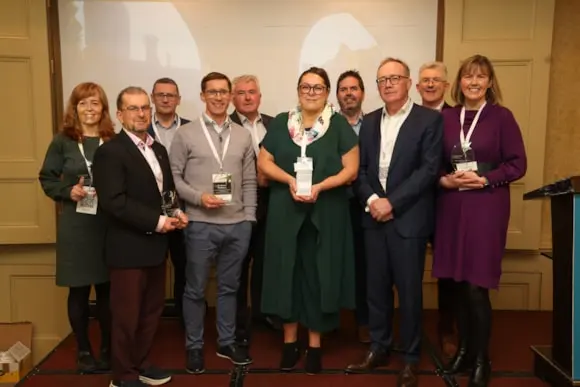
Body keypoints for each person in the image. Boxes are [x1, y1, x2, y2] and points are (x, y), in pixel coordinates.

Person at [346, 58, 443, 387]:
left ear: (408, 82)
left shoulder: (429, 120)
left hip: (408, 220)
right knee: (376, 291)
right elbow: (360, 172)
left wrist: (392, 202)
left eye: (394, 78)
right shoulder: (370, 122)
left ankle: (411, 358)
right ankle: (379, 347)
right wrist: (373, 201)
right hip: (374, 218)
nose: (387, 84)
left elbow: (429, 170)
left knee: (410, 293)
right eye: (382, 80)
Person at [433, 54, 527, 387]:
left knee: (476, 287)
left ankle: (481, 358)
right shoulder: (446, 118)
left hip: (486, 205)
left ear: (489, 82)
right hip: (452, 205)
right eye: (468, 76)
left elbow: (518, 165)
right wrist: (444, 180)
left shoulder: (502, 117)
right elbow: (434, 163)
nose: (473, 82)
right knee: (456, 285)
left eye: (480, 77)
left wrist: (486, 179)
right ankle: (464, 352)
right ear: (458, 83)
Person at [258, 67, 359, 374]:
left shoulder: (339, 125)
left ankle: (315, 344)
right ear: (298, 90)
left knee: (318, 275)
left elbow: (351, 169)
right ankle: (290, 343)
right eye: (306, 86)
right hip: (285, 211)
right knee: (285, 273)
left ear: (327, 92)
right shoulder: (281, 122)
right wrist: (290, 180)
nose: (311, 92)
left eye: (318, 87)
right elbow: (264, 161)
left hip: (327, 211)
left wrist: (320, 186)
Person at [93, 86, 188, 387]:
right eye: (133, 108)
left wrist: (175, 213)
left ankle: (141, 364)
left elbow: (166, 192)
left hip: (155, 246)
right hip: (126, 248)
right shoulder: (109, 151)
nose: (141, 113)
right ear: (119, 114)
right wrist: (159, 221)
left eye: (144, 107)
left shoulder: (157, 148)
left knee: (151, 312)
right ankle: (122, 375)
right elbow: (114, 201)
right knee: (126, 316)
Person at [169, 72, 255, 374]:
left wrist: (249, 220)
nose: (218, 97)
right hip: (200, 224)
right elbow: (174, 179)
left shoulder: (243, 135)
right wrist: (198, 197)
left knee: (230, 288)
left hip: (237, 225)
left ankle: (226, 341)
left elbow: (249, 181)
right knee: (194, 289)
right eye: (212, 92)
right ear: (203, 96)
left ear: (230, 95)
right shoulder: (186, 133)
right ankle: (194, 346)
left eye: (223, 92)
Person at [38, 82, 114, 372]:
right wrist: (68, 191)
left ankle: (108, 348)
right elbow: (47, 178)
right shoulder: (63, 141)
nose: (90, 109)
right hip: (77, 226)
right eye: (83, 103)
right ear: (75, 108)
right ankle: (84, 350)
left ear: (103, 108)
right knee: (79, 291)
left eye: (95, 103)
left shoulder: (114, 140)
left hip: (108, 226)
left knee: (108, 292)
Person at [229, 74, 281, 346]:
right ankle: (238, 322)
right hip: (237, 205)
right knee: (238, 264)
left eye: (252, 92)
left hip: (272, 202)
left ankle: (263, 313)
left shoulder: (276, 125)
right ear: (232, 97)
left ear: (260, 96)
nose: (248, 97)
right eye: (241, 93)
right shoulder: (224, 126)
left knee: (265, 262)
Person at [415, 61, 456, 358]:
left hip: (448, 205)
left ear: (446, 85)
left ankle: (447, 328)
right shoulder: (408, 117)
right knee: (408, 270)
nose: (430, 85)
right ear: (416, 87)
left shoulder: (458, 118)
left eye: (436, 80)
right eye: (425, 81)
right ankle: (409, 332)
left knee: (448, 272)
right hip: (413, 205)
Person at [147, 77, 191, 325]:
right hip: (149, 211)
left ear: (178, 100)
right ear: (153, 98)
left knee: (184, 266)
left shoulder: (190, 129)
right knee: (152, 270)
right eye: (160, 94)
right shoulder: (139, 129)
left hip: (182, 209)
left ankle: (185, 321)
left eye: (170, 95)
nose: (165, 99)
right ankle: (150, 323)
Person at [336, 69, 369, 343]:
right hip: (333, 202)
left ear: (362, 93)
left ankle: (364, 321)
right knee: (332, 261)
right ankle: (328, 320)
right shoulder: (325, 125)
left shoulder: (374, 125)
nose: (349, 93)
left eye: (354, 88)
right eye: (344, 89)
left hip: (365, 205)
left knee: (364, 264)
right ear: (337, 95)